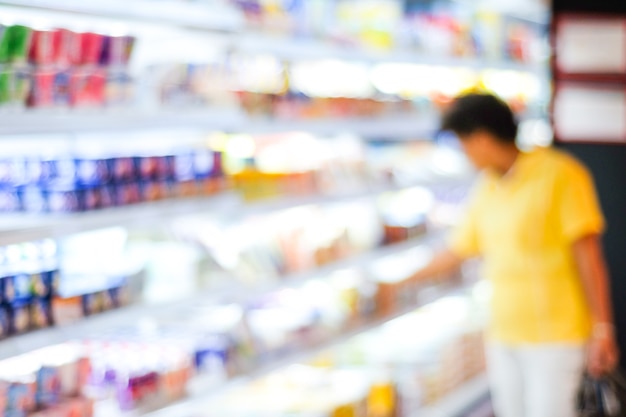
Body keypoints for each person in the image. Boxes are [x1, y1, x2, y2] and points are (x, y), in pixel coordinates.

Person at [410, 93, 619, 417]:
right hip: (504, 334)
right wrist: (400, 280)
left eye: (463, 144)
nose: (464, 154)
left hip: (556, 337)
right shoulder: (488, 186)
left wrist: (602, 328)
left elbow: (589, 258)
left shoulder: (560, 174)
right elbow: (459, 249)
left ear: (480, 138)